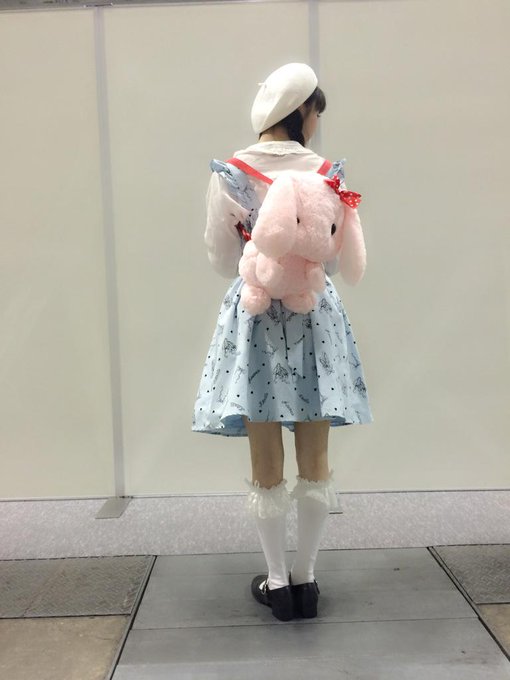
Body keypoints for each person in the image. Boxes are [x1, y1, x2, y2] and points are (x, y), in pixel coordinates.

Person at [192, 63, 372, 621]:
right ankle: (307, 579)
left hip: (256, 316)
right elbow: (336, 262)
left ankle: (276, 583)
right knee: (315, 451)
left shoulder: (231, 173)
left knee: (264, 447)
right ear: (304, 112)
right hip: (314, 313)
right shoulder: (327, 174)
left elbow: (222, 260)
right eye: (316, 112)